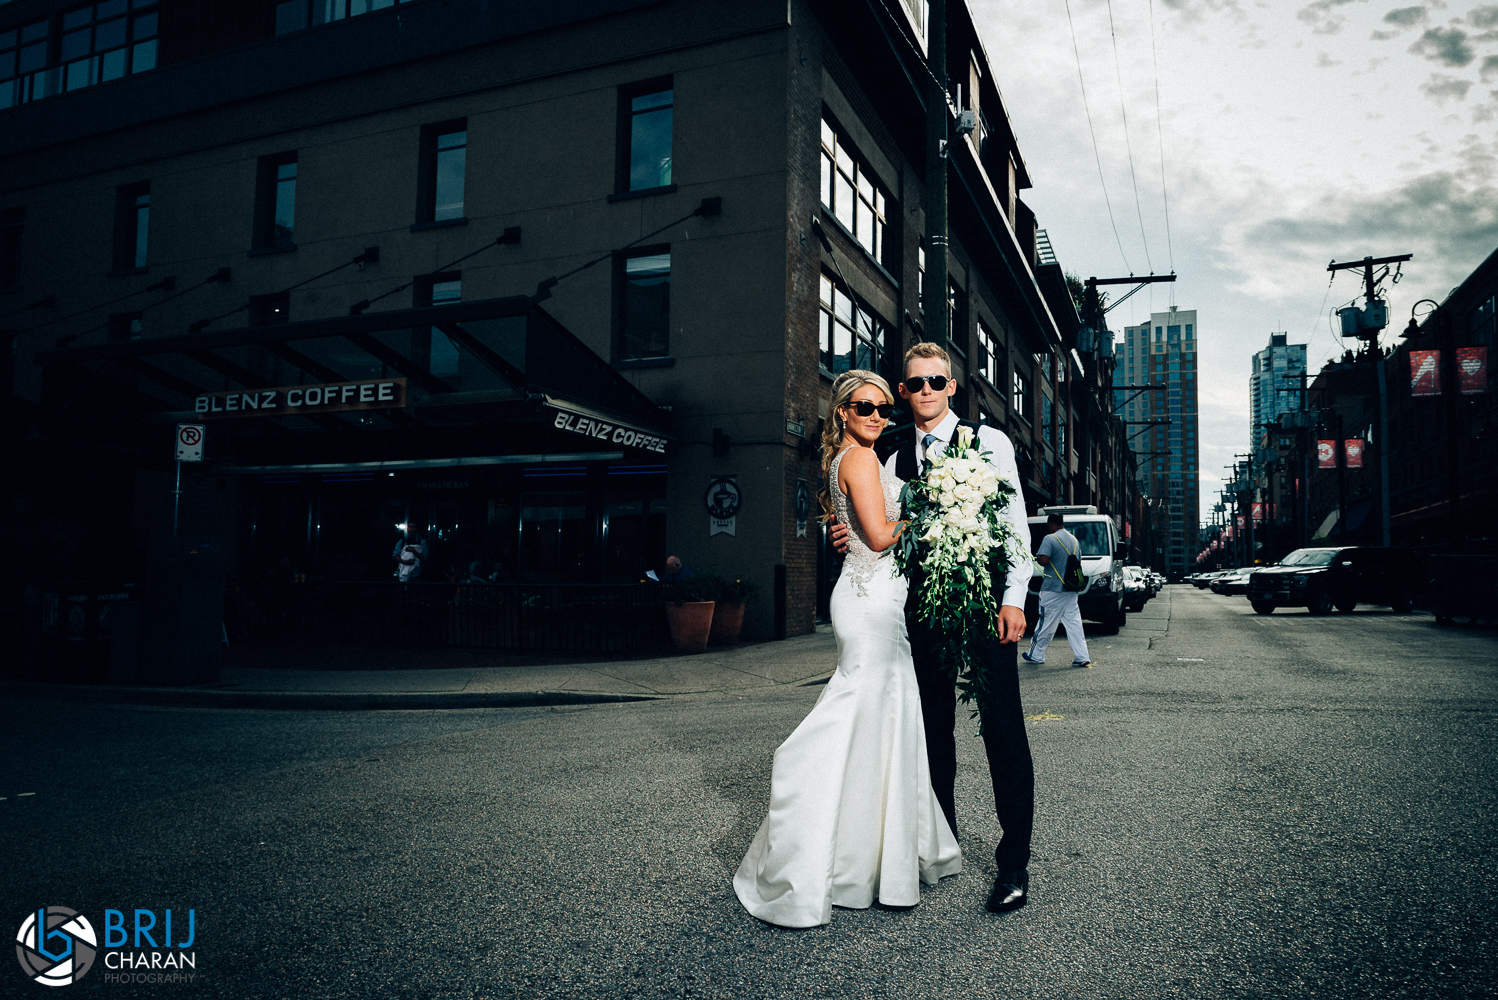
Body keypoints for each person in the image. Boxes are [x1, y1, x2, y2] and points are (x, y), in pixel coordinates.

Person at [734, 370, 961, 928]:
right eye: (865, 407)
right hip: (870, 602)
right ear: (842, 411)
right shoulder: (858, 460)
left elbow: (859, 528)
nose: (877, 416)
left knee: (880, 721)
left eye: (885, 408)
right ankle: (827, 838)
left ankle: (864, 855)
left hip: (872, 595)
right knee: (863, 712)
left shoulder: (849, 459)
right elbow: (883, 537)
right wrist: (938, 515)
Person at [829, 342, 1035, 914]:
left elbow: (1015, 526)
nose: (926, 391)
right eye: (915, 383)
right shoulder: (893, 457)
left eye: (936, 381)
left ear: (952, 387)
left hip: (987, 608)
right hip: (922, 612)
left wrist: (1014, 597)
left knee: (1002, 731)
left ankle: (1013, 864)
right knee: (931, 731)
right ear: (903, 391)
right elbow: (877, 528)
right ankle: (936, 848)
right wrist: (844, 535)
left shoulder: (988, 443)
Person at [1022, 513, 1093, 669]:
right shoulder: (1074, 541)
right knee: (1074, 624)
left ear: (1051, 524)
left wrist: (1037, 557)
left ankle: (1036, 655)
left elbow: (1044, 560)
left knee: (1045, 623)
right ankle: (1082, 656)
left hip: (1052, 588)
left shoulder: (1050, 539)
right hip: (1070, 589)